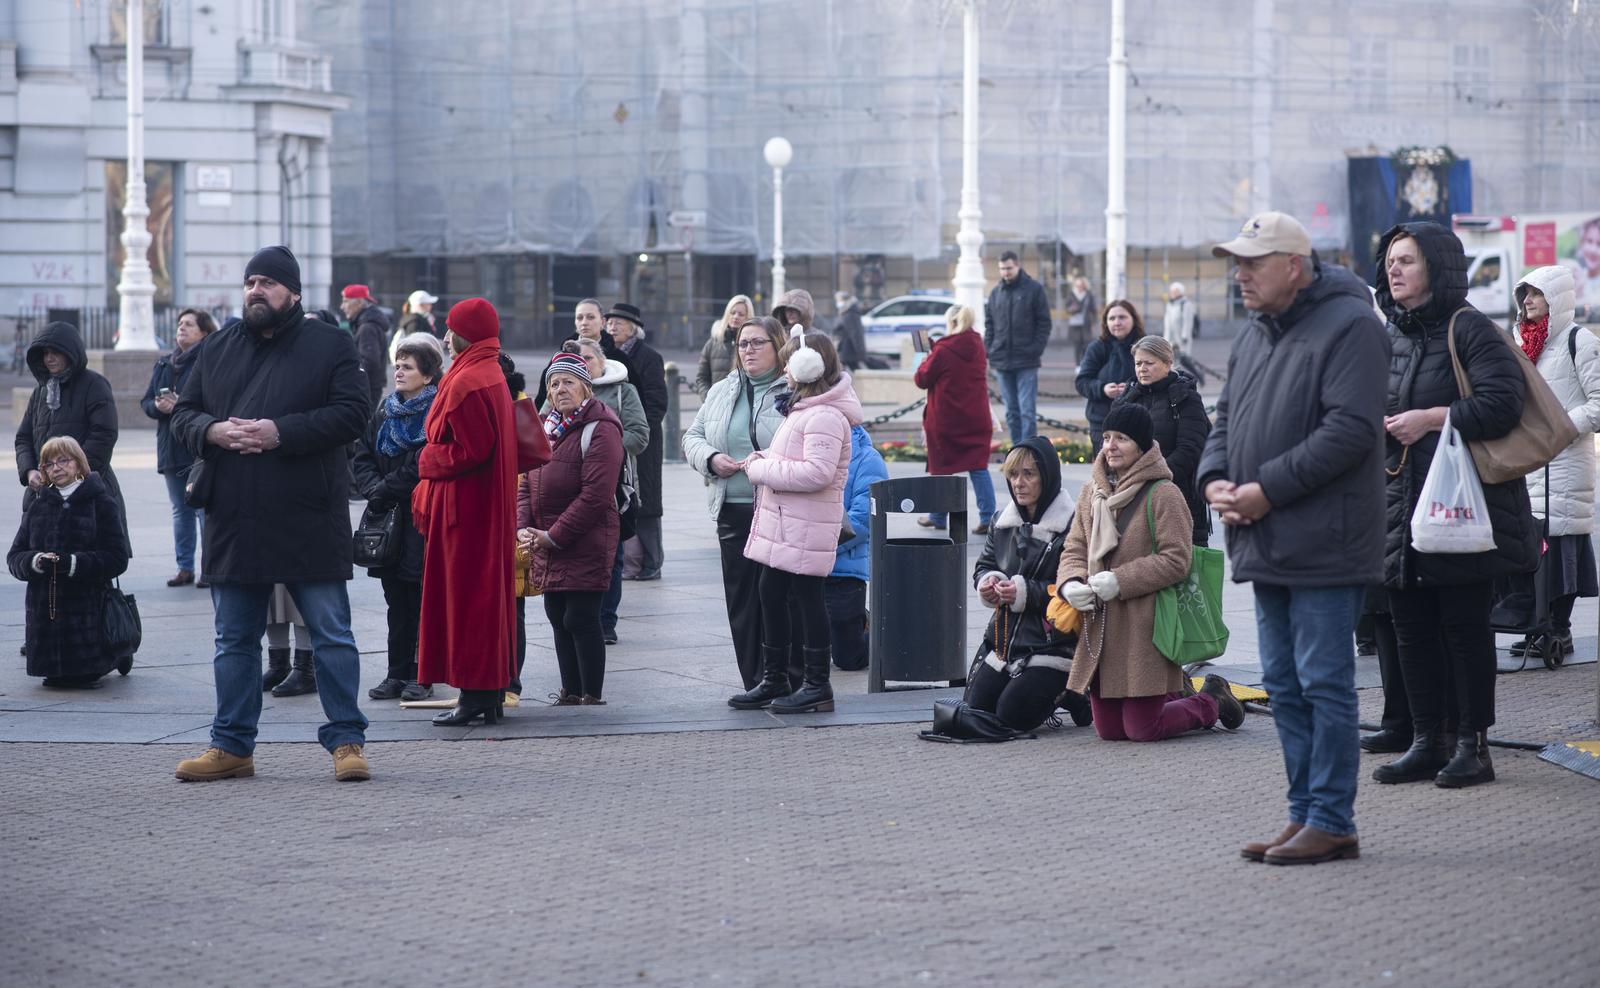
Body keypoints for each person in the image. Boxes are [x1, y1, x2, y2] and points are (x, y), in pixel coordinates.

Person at [1198, 210, 1389, 864]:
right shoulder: (1256, 332)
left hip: (1325, 541)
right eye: (1237, 262)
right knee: (1282, 682)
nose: (1240, 274)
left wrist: (1266, 489)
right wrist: (1215, 477)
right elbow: (1224, 418)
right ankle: (1305, 812)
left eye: (1253, 262)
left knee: (1323, 683)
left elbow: (1350, 432)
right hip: (1267, 533)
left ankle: (1332, 818)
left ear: (1295, 267)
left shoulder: (1352, 325)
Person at [169, 245, 373, 783]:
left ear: (294, 292)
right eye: (250, 281)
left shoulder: (330, 343)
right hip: (235, 515)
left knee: (331, 633)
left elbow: (354, 415)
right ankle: (232, 746)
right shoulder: (217, 347)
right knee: (233, 638)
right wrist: (212, 431)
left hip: (308, 513)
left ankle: (347, 740)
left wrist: (279, 432)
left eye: (267, 282)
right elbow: (183, 415)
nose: (255, 290)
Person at [1372, 222, 1538, 790]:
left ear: (1437, 269)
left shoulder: (1470, 329)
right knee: (1411, 627)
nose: (1394, 270)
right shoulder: (1395, 334)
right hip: (1401, 506)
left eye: (1407, 261)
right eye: (1390, 261)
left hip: (1462, 508)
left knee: (1464, 629)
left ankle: (1473, 745)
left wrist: (1432, 417)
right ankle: (1426, 739)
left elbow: (1502, 405)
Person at [1058, 404, 1241, 742]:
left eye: (1122, 439)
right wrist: (1070, 583)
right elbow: (1074, 548)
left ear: (1141, 446)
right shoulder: (1091, 492)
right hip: (1100, 625)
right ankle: (1173, 695)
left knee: (1143, 730)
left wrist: (1119, 581)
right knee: (1110, 731)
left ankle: (1211, 700)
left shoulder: (1164, 493)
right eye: (1107, 437)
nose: (1110, 445)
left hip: (1147, 622)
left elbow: (1177, 560)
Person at [729, 330, 862, 713]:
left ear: (809, 367)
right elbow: (790, 454)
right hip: (787, 524)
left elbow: (816, 473)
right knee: (770, 592)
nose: (785, 368)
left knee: (807, 600)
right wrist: (762, 457)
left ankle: (817, 685)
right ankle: (775, 679)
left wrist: (762, 470)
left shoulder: (824, 415)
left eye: (790, 362)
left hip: (805, 525)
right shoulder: (805, 409)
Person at [413, 298, 519, 726]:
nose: (444, 336)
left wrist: (426, 461)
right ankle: (486, 693)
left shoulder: (466, 381)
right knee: (485, 599)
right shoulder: (489, 371)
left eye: (450, 328)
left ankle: (475, 696)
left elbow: (472, 450)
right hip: (483, 506)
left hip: (466, 510)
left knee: (467, 601)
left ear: (464, 334)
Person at [682, 315, 790, 689]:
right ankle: (755, 680)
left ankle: (785, 677)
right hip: (734, 508)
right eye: (743, 344)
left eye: (758, 343)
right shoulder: (724, 389)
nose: (748, 350)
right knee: (743, 602)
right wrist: (711, 459)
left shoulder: (794, 390)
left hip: (779, 508)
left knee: (779, 599)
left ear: (779, 347)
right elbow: (692, 436)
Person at [518, 352, 625, 705]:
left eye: (568, 382)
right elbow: (524, 482)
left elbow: (596, 495)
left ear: (586, 388)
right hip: (546, 538)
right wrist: (524, 528)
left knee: (580, 616)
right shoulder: (545, 426)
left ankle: (591, 694)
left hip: (585, 538)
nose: (559, 389)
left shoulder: (601, 427)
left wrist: (555, 536)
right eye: (553, 383)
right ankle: (570, 691)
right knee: (557, 616)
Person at [968, 437, 1093, 731]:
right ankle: (1059, 692)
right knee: (978, 710)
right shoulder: (1002, 521)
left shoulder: (1072, 525)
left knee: (1012, 717)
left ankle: (1072, 692)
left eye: (1028, 474)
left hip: (1053, 644)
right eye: (1013, 475)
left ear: (1047, 476)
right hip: (1004, 642)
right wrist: (989, 582)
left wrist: (1023, 592)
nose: (1019, 483)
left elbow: (1073, 586)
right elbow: (984, 566)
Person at [350, 333, 444, 701]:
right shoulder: (385, 411)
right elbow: (362, 454)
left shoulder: (436, 411)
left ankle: (422, 674)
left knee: (422, 599)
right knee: (396, 602)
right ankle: (395, 673)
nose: (399, 372)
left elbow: (425, 463)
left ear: (427, 375)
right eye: (398, 366)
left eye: (407, 367)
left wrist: (384, 487)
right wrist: (373, 487)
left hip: (422, 517)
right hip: (387, 518)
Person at [1512, 266, 1600, 657]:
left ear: (1557, 298)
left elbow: (1598, 404)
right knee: (1533, 549)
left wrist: (1559, 429)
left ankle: (1558, 630)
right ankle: (1535, 626)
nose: (1527, 301)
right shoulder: (1521, 341)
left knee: (1562, 548)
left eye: (1536, 293)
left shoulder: (1579, 341)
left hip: (1565, 462)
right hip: (1529, 460)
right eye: (1524, 294)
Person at [8, 436, 130, 688]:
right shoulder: (38, 506)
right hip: (45, 632)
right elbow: (14, 557)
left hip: (87, 627)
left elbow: (116, 558)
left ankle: (115, 655)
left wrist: (72, 563)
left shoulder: (101, 503)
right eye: (48, 464)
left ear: (79, 463)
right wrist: (36, 561)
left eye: (63, 460)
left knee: (81, 677)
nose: (56, 467)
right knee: (53, 681)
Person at [560, 337, 649, 645]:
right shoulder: (560, 390)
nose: (583, 363)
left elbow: (640, 434)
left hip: (612, 486)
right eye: (577, 359)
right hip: (567, 487)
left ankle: (606, 620)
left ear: (601, 361)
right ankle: (574, 615)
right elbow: (543, 426)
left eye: (589, 358)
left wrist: (603, 449)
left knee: (612, 555)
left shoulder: (624, 391)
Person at [15, 321, 130, 556]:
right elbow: (23, 438)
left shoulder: (94, 385)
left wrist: (74, 474)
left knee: (89, 567)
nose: (49, 358)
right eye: (45, 353)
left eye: (55, 352)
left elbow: (104, 434)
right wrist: (29, 472)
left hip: (86, 491)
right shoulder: (40, 392)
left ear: (70, 352)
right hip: (44, 493)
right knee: (44, 566)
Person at [1110, 335, 1212, 546]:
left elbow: (1190, 449)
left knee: (1178, 565)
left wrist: (1152, 479)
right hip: (1130, 497)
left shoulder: (1185, 398)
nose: (1142, 369)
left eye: (1149, 363)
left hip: (1177, 497)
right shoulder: (1128, 398)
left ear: (1167, 364)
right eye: (1138, 363)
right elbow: (1111, 443)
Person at [141, 307, 216, 586]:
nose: (181, 328)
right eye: (180, 324)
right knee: (179, 510)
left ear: (204, 333)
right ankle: (184, 567)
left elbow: (213, 402)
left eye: (189, 325)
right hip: (170, 446)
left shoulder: (209, 361)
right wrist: (159, 407)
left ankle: (210, 568)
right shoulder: (164, 364)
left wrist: (180, 404)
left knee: (201, 509)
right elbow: (146, 402)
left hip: (197, 448)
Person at [913, 304, 997, 535]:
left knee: (942, 468)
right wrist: (935, 349)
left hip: (947, 420)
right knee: (979, 468)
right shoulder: (978, 345)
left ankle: (938, 516)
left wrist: (923, 355)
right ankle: (988, 517)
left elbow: (922, 378)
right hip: (977, 418)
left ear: (951, 323)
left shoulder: (943, 349)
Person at [608, 302, 668, 582]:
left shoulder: (649, 357)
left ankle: (652, 562)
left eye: (618, 323)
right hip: (617, 439)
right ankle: (631, 561)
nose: (612, 327)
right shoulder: (608, 358)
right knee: (626, 496)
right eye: (609, 323)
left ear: (634, 328)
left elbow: (657, 402)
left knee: (648, 502)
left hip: (644, 440)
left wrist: (640, 428)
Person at [823, 424, 889, 673]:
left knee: (848, 658)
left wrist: (822, 546)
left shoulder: (866, 459)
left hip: (844, 569)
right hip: (806, 567)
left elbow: (862, 522)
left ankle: (876, 629)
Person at [984, 251, 1053, 445]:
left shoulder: (1034, 289)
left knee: (1027, 411)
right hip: (1002, 359)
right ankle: (1016, 451)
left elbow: (1044, 323)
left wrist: (1035, 349)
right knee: (1011, 411)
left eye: (1008, 268)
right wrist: (989, 349)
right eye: (1002, 269)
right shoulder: (996, 292)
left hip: (1026, 360)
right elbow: (990, 324)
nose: (1005, 272)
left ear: (1018, 266)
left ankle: (1030, 452)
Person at [1075, 300, 1144, 456]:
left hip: (1137, 419)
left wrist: (1132, 389)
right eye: (1111, 318)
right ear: (1105, 323)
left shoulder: (1145, 345)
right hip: (1102, 421)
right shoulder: (1097, 347)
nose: (1117, 322)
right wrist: (1102, 389)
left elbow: (1157, 377)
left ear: (1133, 319)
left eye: (1122, 317)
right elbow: (1082, 382)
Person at [341, 284, 391, 410]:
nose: (342, 307)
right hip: (370, 387)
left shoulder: (367, 328)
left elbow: (369, 362)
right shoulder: (368, 324)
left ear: (358, 303)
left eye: (345, 301)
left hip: (366, 389)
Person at [695, 295, 751, 395]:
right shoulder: (713, 343)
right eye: (732, 313)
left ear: (748, 317)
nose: (735, 316)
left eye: (741, 314)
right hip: (715, 404)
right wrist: (709, 399)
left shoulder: (752, 344)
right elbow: (702, 378)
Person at [1162, 281, 1208, 385]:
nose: (1173, 293)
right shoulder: (1170, 304)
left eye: (1175, 291)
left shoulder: (1186, 304)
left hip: (1181, 338)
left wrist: (1185, 336)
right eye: (1172, 291)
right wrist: (1165, 338)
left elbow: (1188, 321)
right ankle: (1177, 380)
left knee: (1183, 359)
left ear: (1180, 292)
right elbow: (1167, 322)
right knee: (1174, 359)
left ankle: (1197, 375)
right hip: (1171, 337)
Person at [833, 290, 884, 371]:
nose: (837, 302)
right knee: (851, 371)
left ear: (845, 300)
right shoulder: (846, 312)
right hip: (845, 350)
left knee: (842, 372)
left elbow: (856, 334)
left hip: (848, 350)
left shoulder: (850, 314)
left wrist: (861, 353)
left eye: (838, 300)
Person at [1064, 275, 1097, 365]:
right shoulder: (1071, 295)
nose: (1079, 287)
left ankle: (1083, 363)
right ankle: (1078, 364)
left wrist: (1093, 324)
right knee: (1077, 345)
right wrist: (1072, 309)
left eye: (1081, 285)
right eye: (1077, 285)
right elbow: (1066, 308)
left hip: (1086, 324)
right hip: (1075, 324)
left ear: (1084, 285)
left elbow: (1093, 310)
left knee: (1086, 345)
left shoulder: (1088, 295)